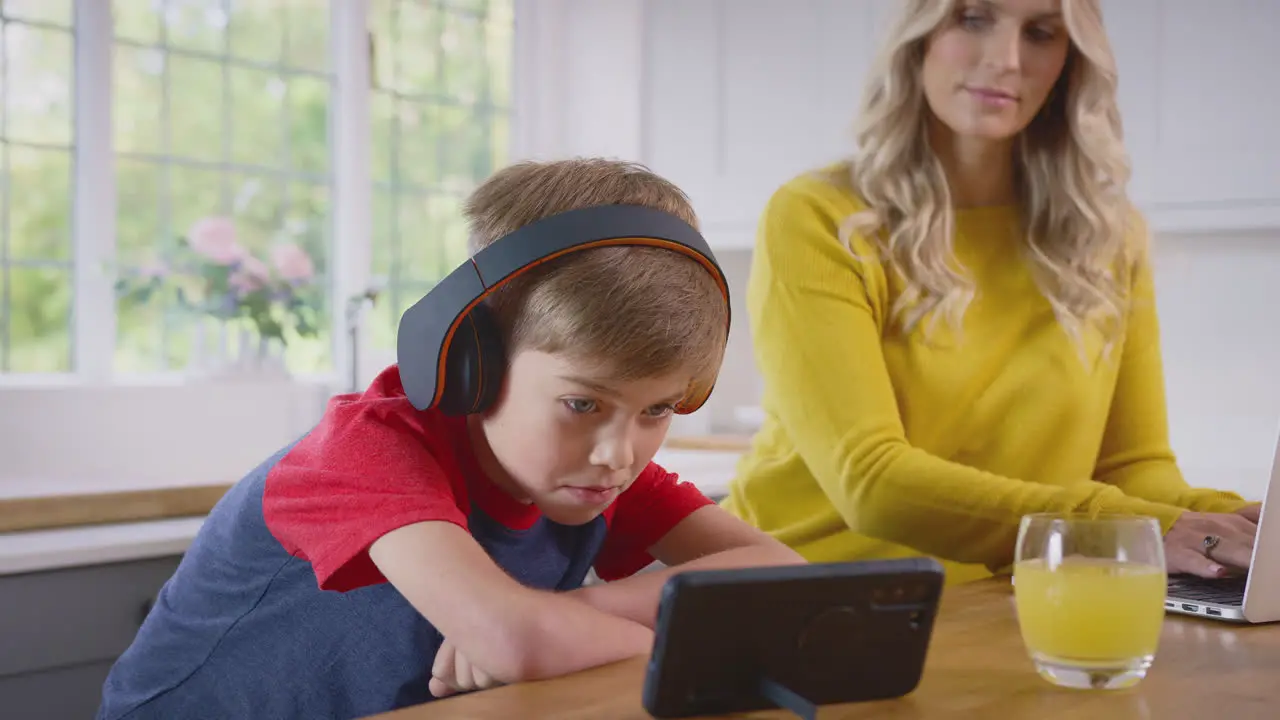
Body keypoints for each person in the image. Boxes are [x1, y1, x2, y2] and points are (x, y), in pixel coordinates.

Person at [96, 158, 804, 720]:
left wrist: (570, 617)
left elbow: (782, 579)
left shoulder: (591, 468)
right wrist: (555, 633)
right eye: (582, 402)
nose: (618, 452)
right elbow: (515, 642)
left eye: (658, 410)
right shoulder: (368, 451)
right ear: (471, 361)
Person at [722, 0, 1259, 586]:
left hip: (1004, 600)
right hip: (803, 593)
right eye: (973, 19)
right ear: (919, 37)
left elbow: (1132, 469)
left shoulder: (1107, 235)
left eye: (1041, 34)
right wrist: (1138, 525)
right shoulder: (820, 215)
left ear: (1070, 61)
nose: (1006, 61)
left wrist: (1235, 522)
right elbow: (872, 484)